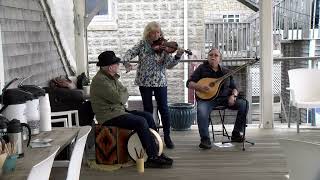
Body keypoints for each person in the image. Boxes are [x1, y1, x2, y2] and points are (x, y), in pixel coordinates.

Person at [90, 50, 173, 168]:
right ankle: (152, 157)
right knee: (140, 121)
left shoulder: (111, 77)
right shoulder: (101, 81)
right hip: (108, 116)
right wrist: (122, 95)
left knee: (147, 116)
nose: (118, 66)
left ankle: (156, 151)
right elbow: (120, 98)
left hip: (118, 111)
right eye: (116, 64)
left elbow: (124, 92)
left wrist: (122, 94)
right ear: (110, 67)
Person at [123, 21, 185, 149]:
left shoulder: (164, 46)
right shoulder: (142, 44)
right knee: (148, 109)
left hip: (160, 81)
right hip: (144, 81)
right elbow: (129, 53)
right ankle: (152, 136)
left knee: (164, 109)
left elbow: (169, 65)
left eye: (158, 32)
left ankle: (167, 136)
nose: (157, 35)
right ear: (148, 34)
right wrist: (126, 62)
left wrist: (178, 55)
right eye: (153, 33)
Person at [186, 48, 248, 149]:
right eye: (211, 55)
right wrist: (200, 87)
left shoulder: (226, 72)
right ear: (208, 57)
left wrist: (233, 96)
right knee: (201, 110)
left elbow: (235, 88)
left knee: (244, 104)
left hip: (224, 99)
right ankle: (205, 140)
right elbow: (189, 83)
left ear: (220, 59)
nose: (213, 57)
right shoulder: (201, 69)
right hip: (207, 100)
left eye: (216, 55)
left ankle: (236, 134)